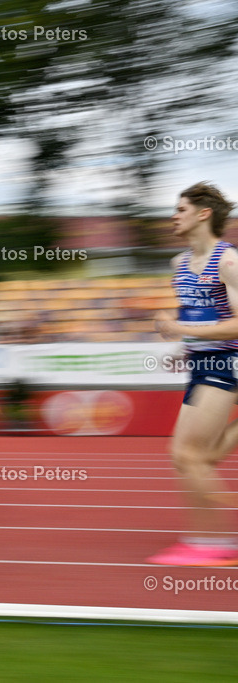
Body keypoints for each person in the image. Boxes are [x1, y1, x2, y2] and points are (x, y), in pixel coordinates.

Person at [151, 182, 238, 566]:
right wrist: (180, 348)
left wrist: (184, 331)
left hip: (227, 362)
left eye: (181, 209)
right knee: (190, 457)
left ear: (203, 214)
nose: (174, 216)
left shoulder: (229, 262)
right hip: (201, 364)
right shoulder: (178, 265)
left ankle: (214, 543)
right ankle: (205, 540)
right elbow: (194, 315)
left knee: (190, 454)